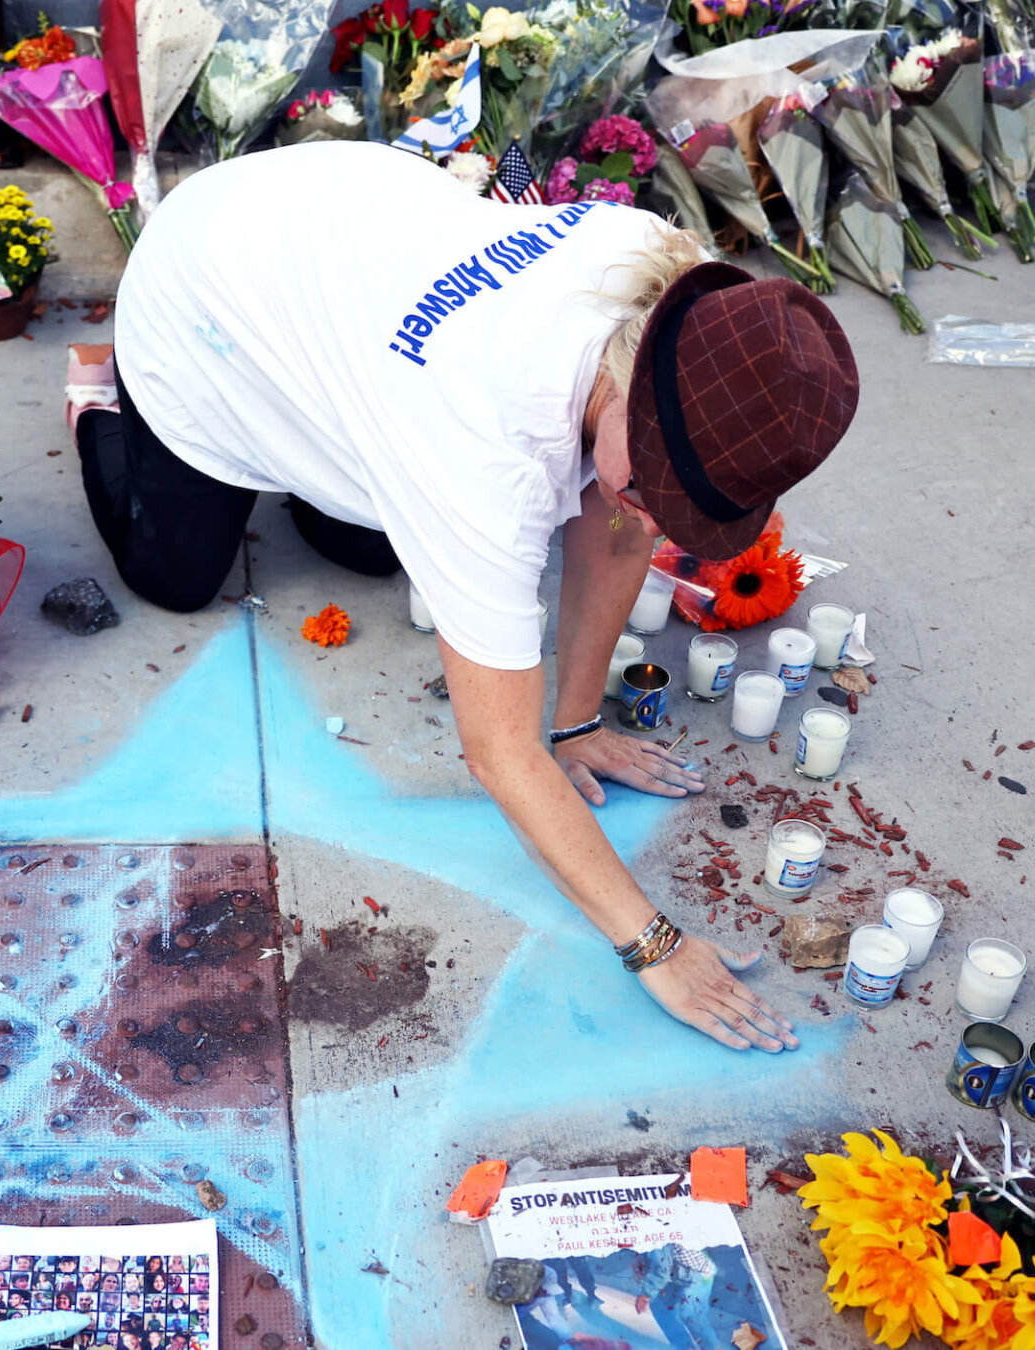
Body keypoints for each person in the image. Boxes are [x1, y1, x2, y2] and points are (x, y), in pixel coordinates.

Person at [85, 141, 861, 1052]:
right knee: (172, 576)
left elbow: (612, 521)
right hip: (205, 286)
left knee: (367, 551)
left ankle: (308, 439)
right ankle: (101, 406)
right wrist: (653, 945)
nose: (654, 527)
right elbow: (495, 751)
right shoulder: (479, 455)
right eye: (654, 489)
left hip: (344, 254)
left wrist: (575, 723)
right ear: (627, 384)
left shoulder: (678, 299)